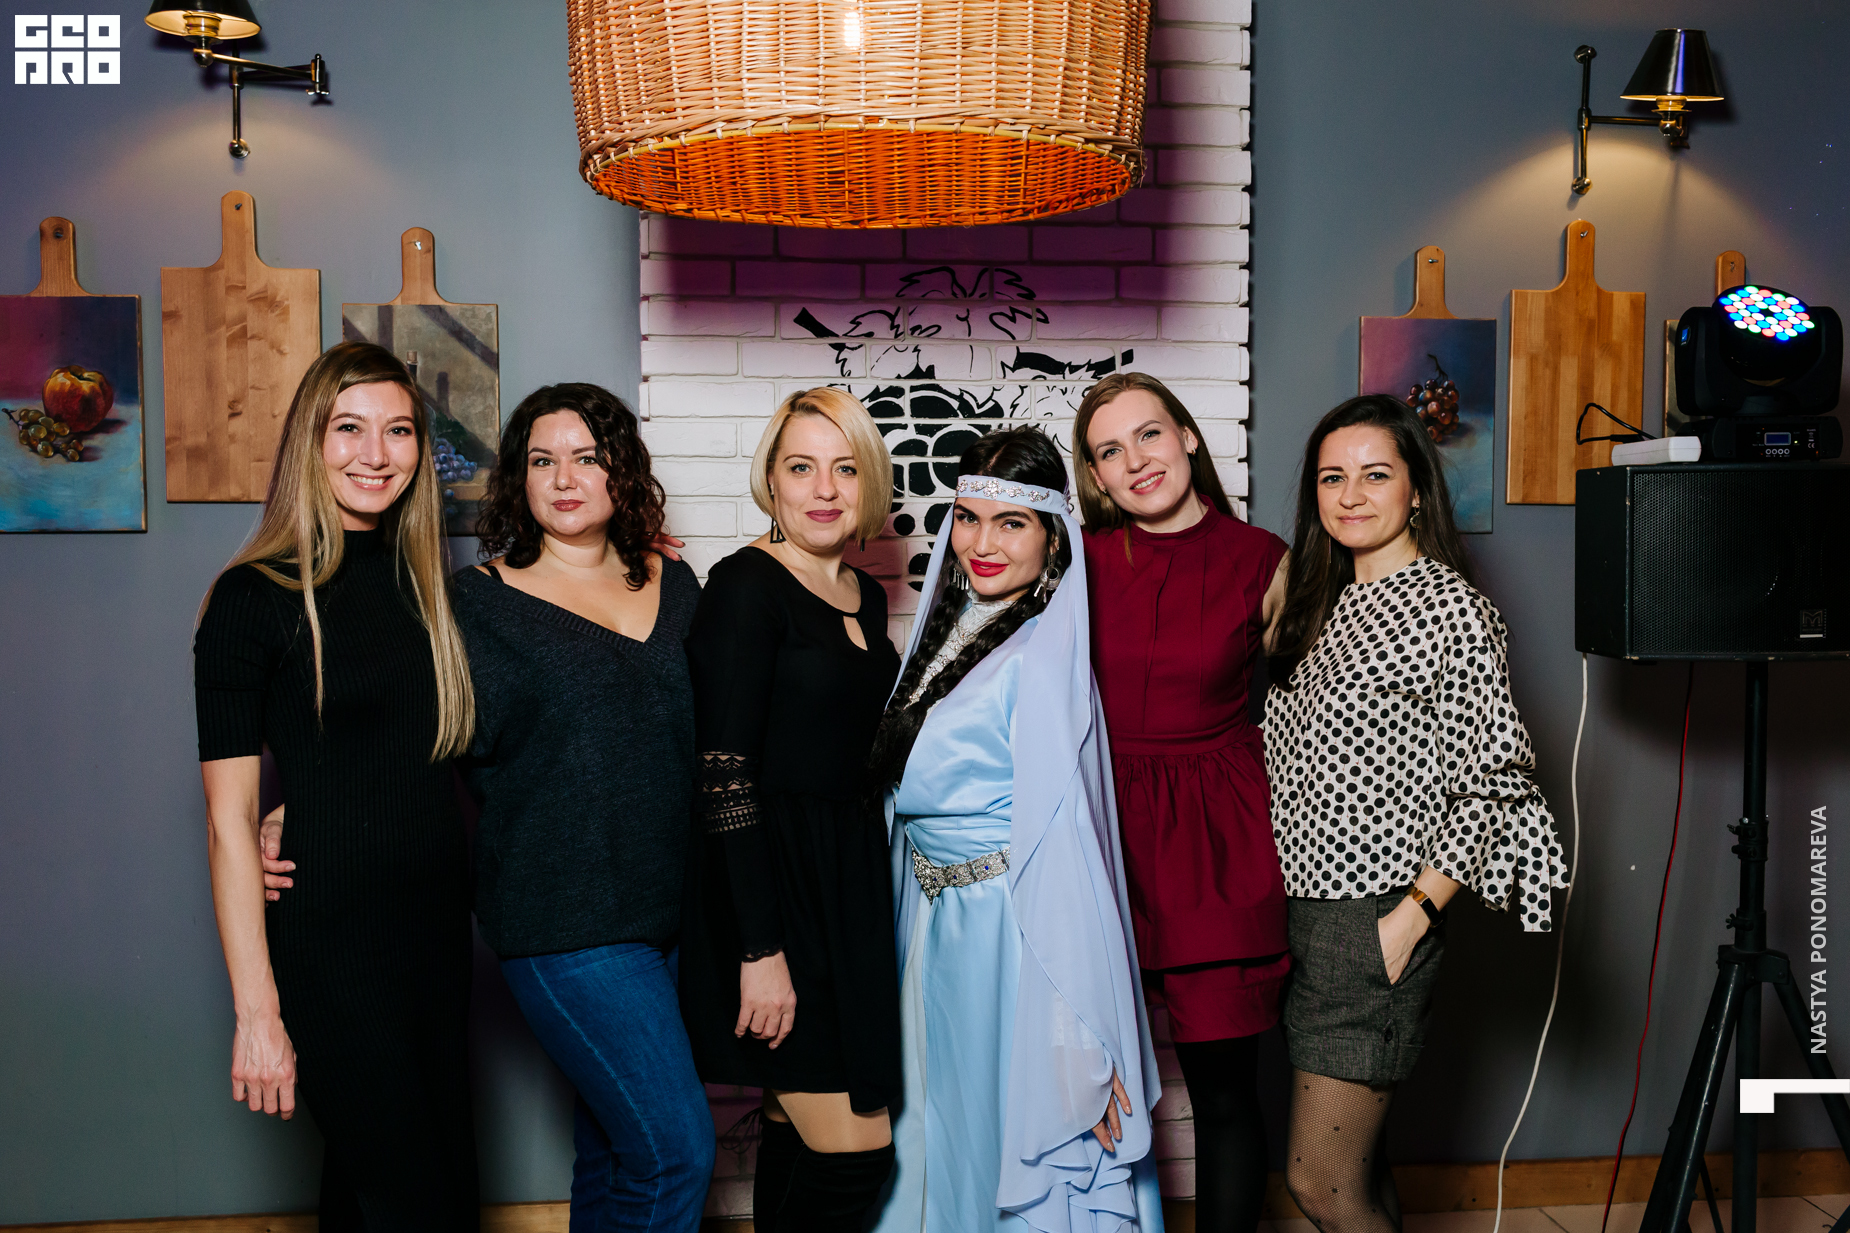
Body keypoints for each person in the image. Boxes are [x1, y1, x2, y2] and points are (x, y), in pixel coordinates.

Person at [1263, 395, 1568, 1233]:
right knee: (1361, 1170)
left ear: (1417, 489)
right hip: (1303, 911)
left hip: (1377, 910)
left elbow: (1493, 780)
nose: (1351, 494)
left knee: (1321, 1185)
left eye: (1375, 474)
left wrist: (1413, 916)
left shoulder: (1449, 607)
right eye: (1332, 477)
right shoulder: (1318, 601)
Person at [192, 341, 479, 1230]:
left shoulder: (428, 590)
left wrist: (631, 555)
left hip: (434, 938)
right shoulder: (253, 598)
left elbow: (396, 752)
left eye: (399, 430)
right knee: (418, 1205)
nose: (376, 454)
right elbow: (228, 822)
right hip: (330, 951)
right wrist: (257, 1015)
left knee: (384, 1194)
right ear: (309, 442)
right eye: (349, 428)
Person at [867, 426, 1166, 1233]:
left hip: (1006, 936)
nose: (983, 543)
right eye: (969, 518)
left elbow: (1064, 848)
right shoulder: (947, 633)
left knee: (996, 1128)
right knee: (940, 1129)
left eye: (1012, 523)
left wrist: (1082, 1039)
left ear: (1051, 537)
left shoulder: (1041, 655)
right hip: (931, 925)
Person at [453, 383, 714, 1229]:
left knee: (612, 1153)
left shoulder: (677, 583)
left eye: (587, 456)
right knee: (674, 1151)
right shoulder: (473, 604)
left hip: (669, 913)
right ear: (518, 480)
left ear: (620, 470)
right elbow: (399, 732)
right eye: (542, 460)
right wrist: (299, 808)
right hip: (563, 920)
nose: (564, 478)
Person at [678, 387, 903, 1232]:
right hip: (776, 892)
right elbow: (724, 775)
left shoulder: (863, 594)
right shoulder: (746, 586)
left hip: (847, 884)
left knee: (793, 1132)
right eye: (802, 467)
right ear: (770, 479)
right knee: (855, 1156)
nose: (824, 488)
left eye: (846, 469)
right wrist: (759, 948)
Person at [1074, 372, 1290, 1233]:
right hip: (1099, 830)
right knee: (1081, 1081)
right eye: (1110, 450)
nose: (1136, 460)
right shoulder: (1076, 561)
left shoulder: (1264, 559)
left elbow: (1319, 706)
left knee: (1224, 1094)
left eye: (1150, 435)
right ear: (1095, 475)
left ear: (1189, 437)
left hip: (1215, 840)